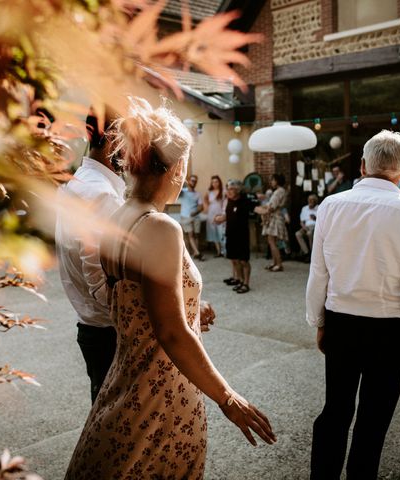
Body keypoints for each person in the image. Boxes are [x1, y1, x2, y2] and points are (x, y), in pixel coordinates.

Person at [65, 98, 275, 479]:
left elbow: (138, 305)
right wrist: (228, 398)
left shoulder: (117, 218)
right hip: (163, 389)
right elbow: (171, 332)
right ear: (178, 167)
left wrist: (192, 310)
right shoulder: (160, 227)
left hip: (125, 378)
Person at [306, 130, 400, 480]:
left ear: (361, 166)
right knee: (373, 419)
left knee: (336, 411)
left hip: (342, 322)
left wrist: (320, 322)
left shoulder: (330, 205)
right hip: (389, 331)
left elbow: (318, 274)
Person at [55, 110, 126, 404]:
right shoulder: (102, 196)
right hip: (109, 335)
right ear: (113, 140)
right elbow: (101, 285)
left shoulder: (78, 184)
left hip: (93, 330)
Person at [216, 179, 251, 294]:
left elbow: (255, 209)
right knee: (235, 260)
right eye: (228, 189)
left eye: (231, 189)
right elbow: (228, 216)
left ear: (238, 190)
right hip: (230, 235)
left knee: (244, 261)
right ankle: (240, 280)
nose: (229, 191)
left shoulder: (245, 202)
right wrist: (219, 219)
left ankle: (246, 283)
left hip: (242, 237)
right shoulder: (229, 202)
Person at [255, 173, 288, 272]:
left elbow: (271, 206)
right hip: (274, 217)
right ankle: (275, 262)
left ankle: (279, 264)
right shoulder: (279, 191)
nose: (271, 182)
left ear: (277, 181)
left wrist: (260, 208)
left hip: (275, 218)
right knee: (271, 241)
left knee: (272, 241)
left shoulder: (279, 191)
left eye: (273, 180)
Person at [179, 174, 204, 260]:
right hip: (185, 217)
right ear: (189, 181)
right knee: (190, 235)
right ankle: (197, 253)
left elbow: (201, 207)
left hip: (196, 217)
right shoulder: (183, 191)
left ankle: (195, 253)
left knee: (196, 235)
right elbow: (177, 187)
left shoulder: (198, 194)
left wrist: (196, 212)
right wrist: (183, 180)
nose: (194, 182)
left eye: (195, 181)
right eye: (192, 180)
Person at [204, 175, 226, 257]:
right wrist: (206, 208)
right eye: (213, 182)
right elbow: (205, 199)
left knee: (221, 233)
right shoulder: (209, 192)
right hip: (211, 215)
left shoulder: (223, 191)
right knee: (214, 233)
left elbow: (225, 203)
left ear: (219, 182)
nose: (214, 183)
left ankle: (225, 251)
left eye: (216, 181)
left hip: (220, 214)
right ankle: (219, 251)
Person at [295, 194, 318, 260]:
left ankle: (312, 254)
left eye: (312, 200)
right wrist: (305, 228)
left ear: (315, 201)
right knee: (298, 234)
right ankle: (306, 253)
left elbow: (321, 221)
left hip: (315, 227)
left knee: (309, 234)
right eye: (309, 200)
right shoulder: (304, 208)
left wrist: (315, 218)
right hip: (306, 227)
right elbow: (301, 222)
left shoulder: (319, 208)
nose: (310, 201)